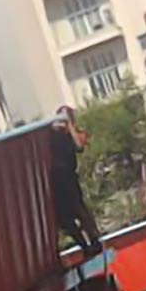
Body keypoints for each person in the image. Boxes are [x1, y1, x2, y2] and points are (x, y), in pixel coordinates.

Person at [50, 105, 102, 258]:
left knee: (79, 209)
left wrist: (70, 125)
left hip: (69, 176)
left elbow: (79, 146)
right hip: (57, 178)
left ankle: (93, 240)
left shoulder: (75, 134)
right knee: (64, 218)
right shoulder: (54, 134)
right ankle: (83, 245)